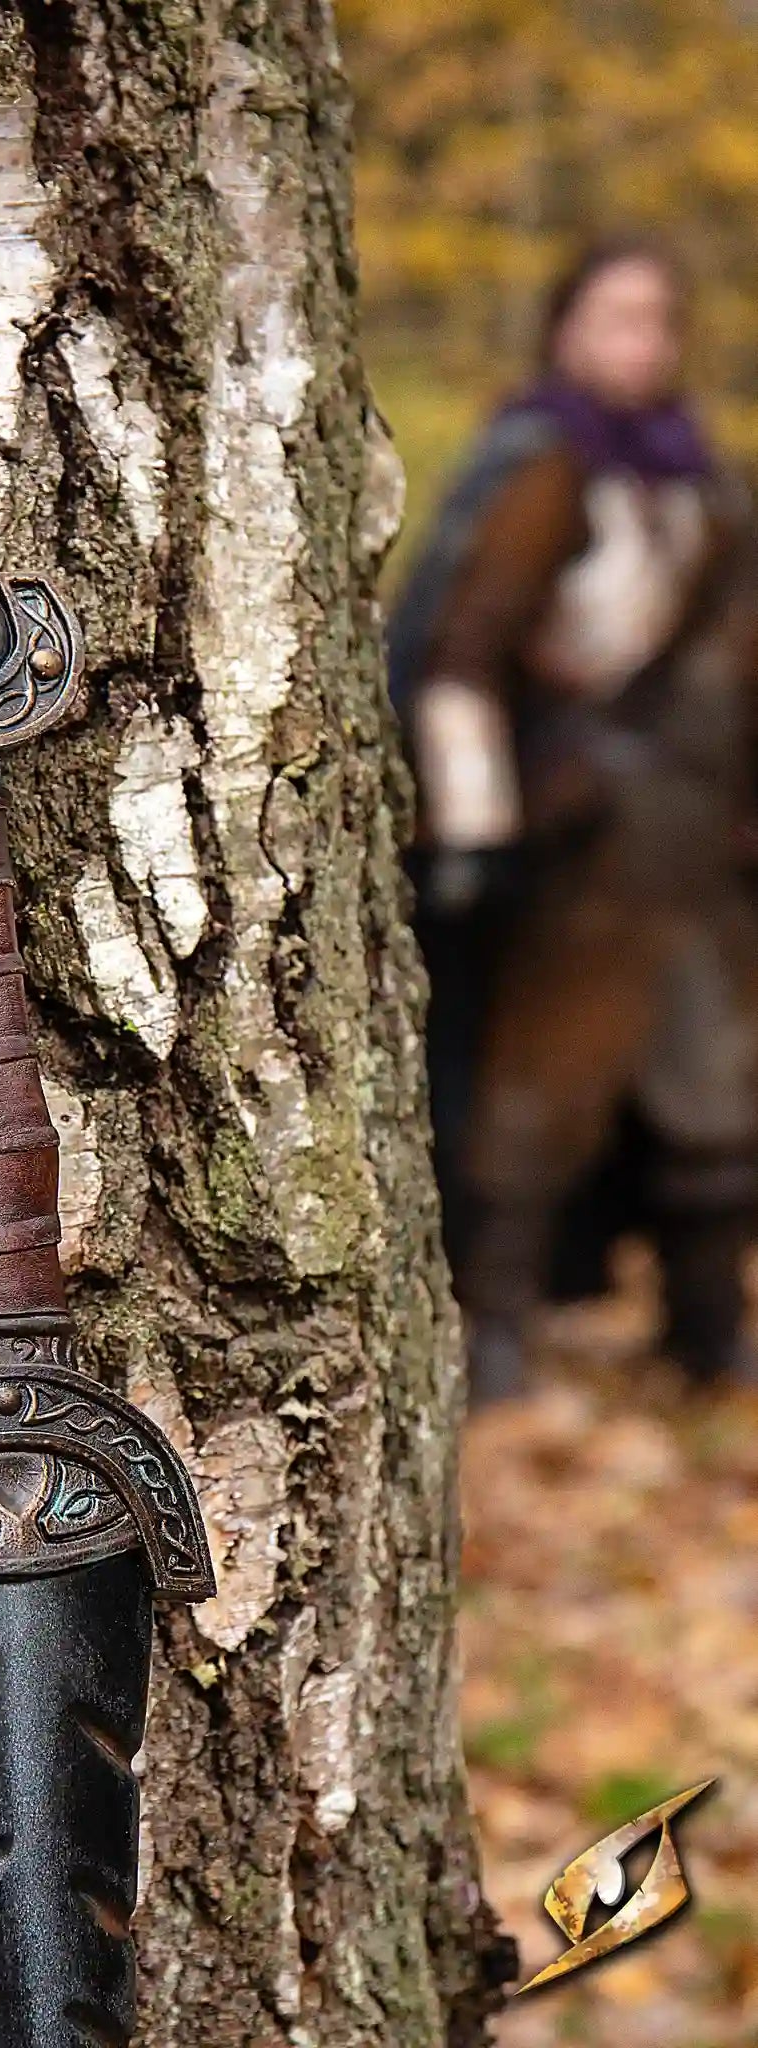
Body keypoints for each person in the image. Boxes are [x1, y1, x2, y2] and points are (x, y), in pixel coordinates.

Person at [390, 238, 758, 1402]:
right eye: (612, 315)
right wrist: (474, 830)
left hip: (695, 841)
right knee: (535, 1089)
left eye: (655, 318)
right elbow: (459, 656)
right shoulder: (540, 464)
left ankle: (708, 1330)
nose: (637, 341)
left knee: (715, 1084)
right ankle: (495, 1339)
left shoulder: (701, 480)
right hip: (577, 837)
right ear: (564, 328)